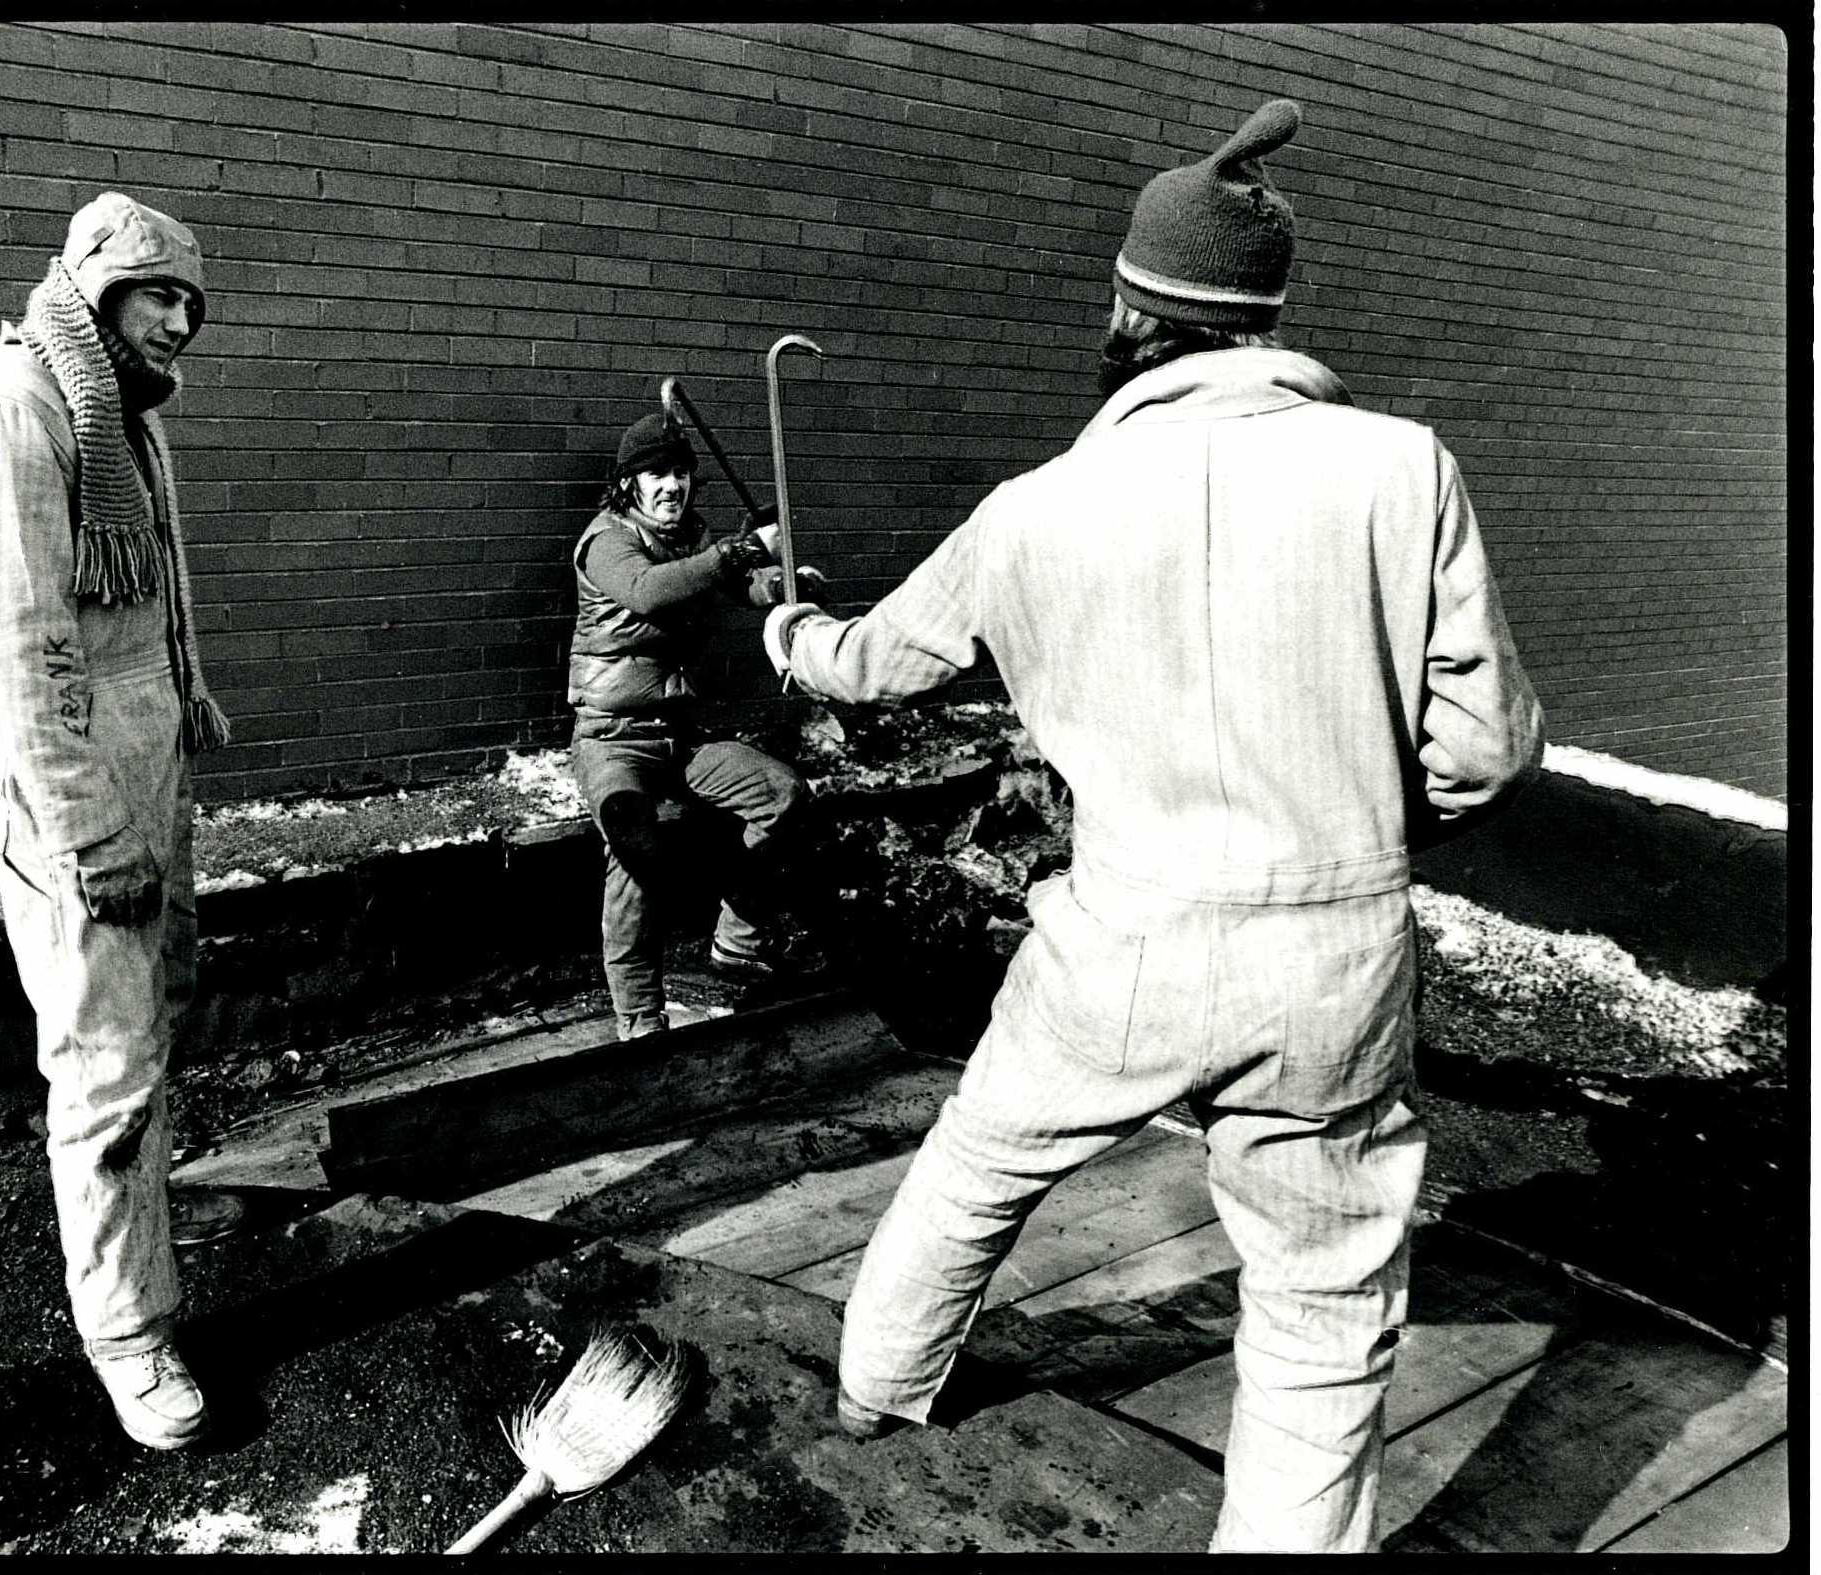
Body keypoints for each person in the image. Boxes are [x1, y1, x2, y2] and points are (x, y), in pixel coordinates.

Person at [760, 101, 1544, 1551]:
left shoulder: (1033, 507)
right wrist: (1367, 825)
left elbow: (874, 663)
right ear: (1261, 316)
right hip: (1331, 954)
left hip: (1117, 942)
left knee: (980, 1157)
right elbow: (1485, 751)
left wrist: (789, 632)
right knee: (1318, 1299)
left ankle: (876, 1381)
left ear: (1130, 310)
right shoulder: (1397, 466)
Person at [0, 192, 239, 1451]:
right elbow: (13, 651)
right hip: (74, 790)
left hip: (145, 766)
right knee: (103, 1063)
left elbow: (139, 620)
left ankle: (139, 1228)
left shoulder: (118, 419)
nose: (178, 324)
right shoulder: (15, 416)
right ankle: (128, 1333)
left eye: (191, 304)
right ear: (93, 289)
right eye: (158, 295)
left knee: (151, 1022)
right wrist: (93, 833)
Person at [567, 409, 823, 1040]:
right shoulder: (607, 541)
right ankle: (640, 1020)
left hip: (680, 736)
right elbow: (650, 590)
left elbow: (742, 583)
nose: (670, 486)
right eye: (655, 474)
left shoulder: (693, 536)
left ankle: (738, 941)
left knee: (782, 795)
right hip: (613, 738)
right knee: (634, 842)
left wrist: (782, 583)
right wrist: (737, 550)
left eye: (680, 473)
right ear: (629, 483)